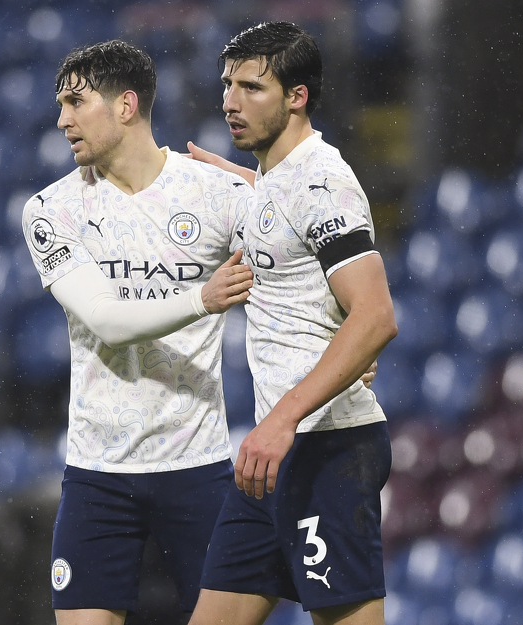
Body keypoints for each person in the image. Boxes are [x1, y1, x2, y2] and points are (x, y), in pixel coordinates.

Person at [21, 40, 257, 625]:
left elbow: (298, 272)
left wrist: (336, 339)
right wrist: (200, 298)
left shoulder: (216, 196)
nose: (62, 119)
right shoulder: (52, 210)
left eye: (76, 102)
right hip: (98, 476)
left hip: (196, 467)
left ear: (126, 105)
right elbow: (105, 320)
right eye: (59, 104)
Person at [186, 22, 399, 625]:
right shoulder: (276, 180)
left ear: (298, 96)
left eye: (253, 87)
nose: (231, 100)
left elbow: (377, 316)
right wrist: (244, 182)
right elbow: (290, 223)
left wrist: (282, 419)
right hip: (272, 455)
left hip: (324, 447)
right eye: (228, 84)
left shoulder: (322, 182)